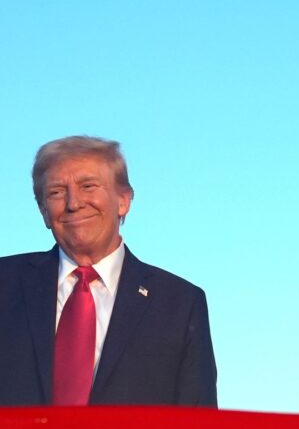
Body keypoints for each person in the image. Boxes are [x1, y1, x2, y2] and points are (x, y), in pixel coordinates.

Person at [0, 136, 217, 407]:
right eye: (56, 192)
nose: (73, 203)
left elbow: (198, 422)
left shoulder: (179, 304)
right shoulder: (5, 284)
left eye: (88, 186)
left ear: (123, 201)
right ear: (43, 211)